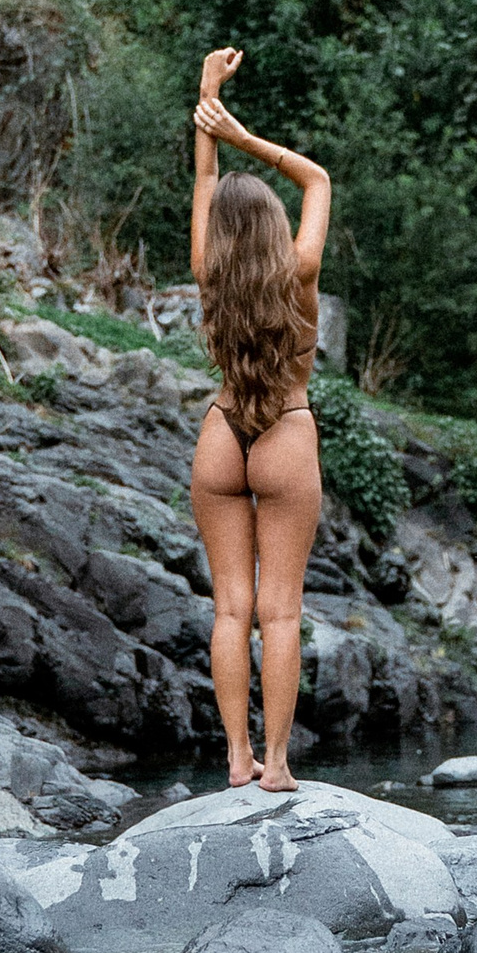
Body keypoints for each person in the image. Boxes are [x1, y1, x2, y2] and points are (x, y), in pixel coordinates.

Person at [188, 46, 331, 794]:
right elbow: (317, 177)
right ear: (274, 228)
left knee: (229, 610)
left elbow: (205, 182)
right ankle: (276, 766)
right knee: (280, 614)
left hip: (221, 432)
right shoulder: (299, 267)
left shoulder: (208, 268)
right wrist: (244, 134)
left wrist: (207, 102)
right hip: (285, 430)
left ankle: (235, 760)